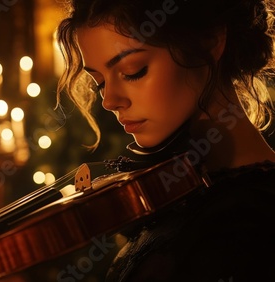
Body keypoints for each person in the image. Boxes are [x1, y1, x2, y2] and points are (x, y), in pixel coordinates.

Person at [55, 0, 275, 281]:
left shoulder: (256, 227)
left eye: (133, 71)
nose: (109, 101)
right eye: (99, 82)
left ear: (209, 42)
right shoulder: (172, 198)